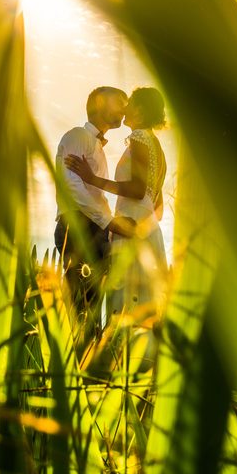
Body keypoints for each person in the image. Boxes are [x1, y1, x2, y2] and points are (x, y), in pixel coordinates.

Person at [65, 87, 168, 324]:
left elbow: (137, 189)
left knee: (126, 303)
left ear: (140, 111)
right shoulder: (157, 148)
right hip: (148, 228)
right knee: (143, 304)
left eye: (129, 103)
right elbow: (157, 204)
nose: (124, 108)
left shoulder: (140, 137)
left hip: (130, 226)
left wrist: (92, 179)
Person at [54, 86, 135, 337]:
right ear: (100, 105)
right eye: (119, 102)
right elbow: (72, 188)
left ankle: (87, 365)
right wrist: (109, 222)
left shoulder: (97, 146)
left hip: (94, 230)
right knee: (79, 307)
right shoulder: (78, 136)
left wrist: (108, 227)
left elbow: (94, 195)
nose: (124, 108)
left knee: (92, 307)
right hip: (77, 227)